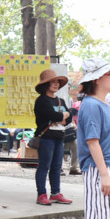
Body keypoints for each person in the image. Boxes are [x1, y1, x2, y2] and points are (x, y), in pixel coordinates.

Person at [75, 58, 110, 219]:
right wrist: (105, 173)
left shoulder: (101, 103)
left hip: (103, 166)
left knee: (104, 217)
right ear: (98, 78)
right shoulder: (91, 105)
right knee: (99, 218)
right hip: (98, 168)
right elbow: (92, 141)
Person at [33, 69, 73, 206]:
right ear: (45, 85)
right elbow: (57, 116)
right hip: (46, 137)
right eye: (52, 82)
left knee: (57, 166)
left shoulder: (60, 100)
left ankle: (55, 193)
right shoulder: (41, 101)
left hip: (59, 137)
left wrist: (64, 116)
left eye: (57, 82)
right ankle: (41, 194)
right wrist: (63, 116)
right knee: (44, 166)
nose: (56, 84)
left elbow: (69, 116)